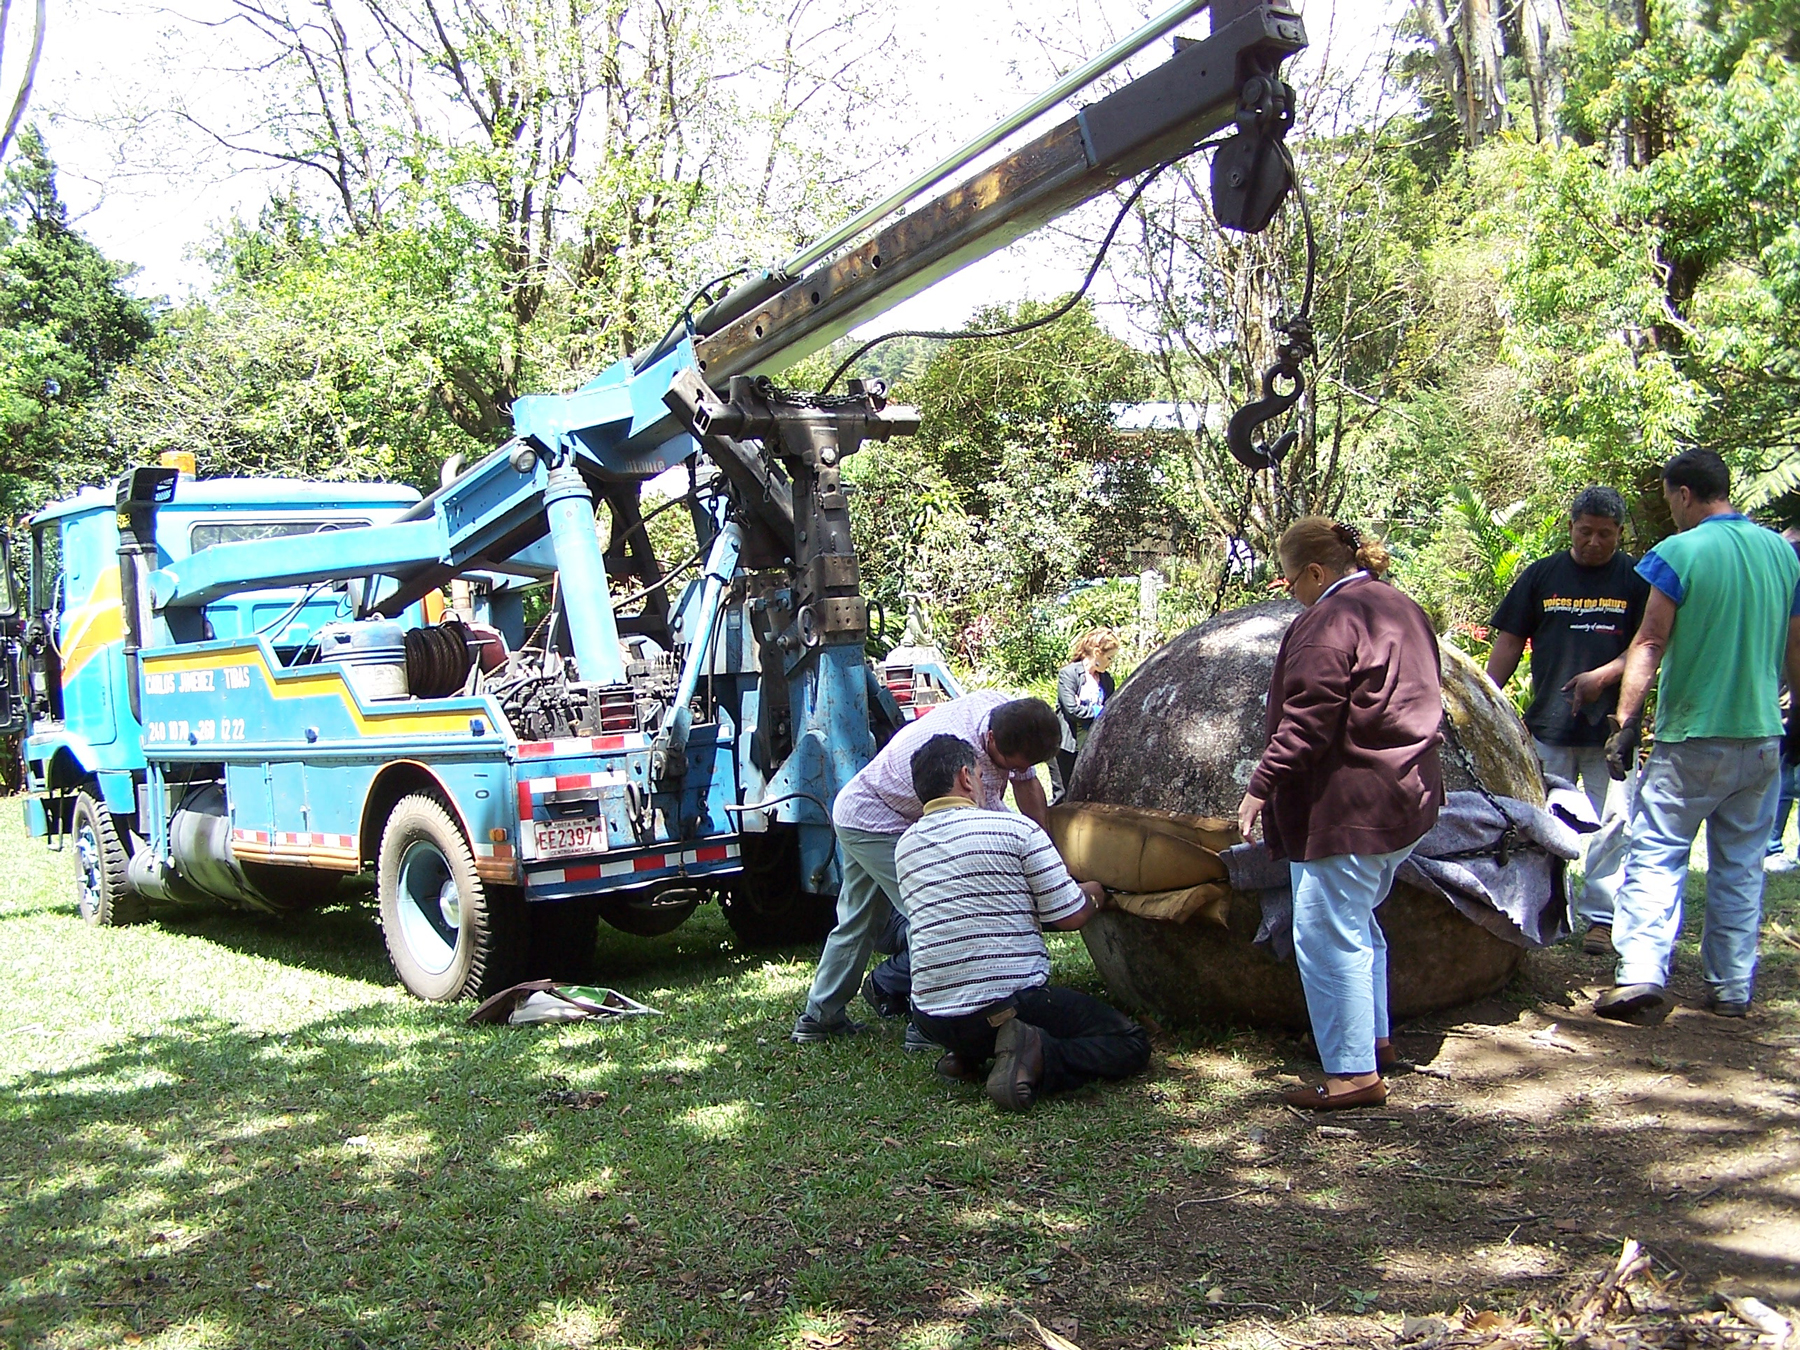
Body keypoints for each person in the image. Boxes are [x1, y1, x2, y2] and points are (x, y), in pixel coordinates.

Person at [1237, 517, 1444, 1111]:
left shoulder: (1328, 619)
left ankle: (1353, 1073)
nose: (1288, 589)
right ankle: (1371, 1039)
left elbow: (1308, 718)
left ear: (1317, 572)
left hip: (1350, 801)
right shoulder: (1400, 605)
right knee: (1359, 920)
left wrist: (1260, 787)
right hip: (1405, 792)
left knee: (1326, 931)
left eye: (1290, 577)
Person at [1595, 450, 1800, 1024]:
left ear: (1683, 493)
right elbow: (1795, 645)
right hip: (1762, 737)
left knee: (1658, 853)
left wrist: (1626, 722)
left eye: (1668, 498)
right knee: (1741, 864)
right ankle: (1733, 985)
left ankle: (1640, 973)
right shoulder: (1781, 556)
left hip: (1693, 736)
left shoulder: (1678, 553)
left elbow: (1651, 642)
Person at [789, 691, 1061, 1043]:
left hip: (864, 810)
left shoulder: (1014, 717)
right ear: (990, 742)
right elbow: (979, 832)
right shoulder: (964, 756)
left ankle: (819, 1017)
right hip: (875, 820)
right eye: (1009, 764)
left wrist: (1049, 852)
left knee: (859, 920)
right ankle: (926, 1023)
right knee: (937, 917)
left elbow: (1026, 785)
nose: (1015, 772)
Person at [900, 734, 1151, 1110]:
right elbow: (1069, 916)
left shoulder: (905, 846)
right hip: (1004, 1007)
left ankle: (968, 1056)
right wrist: (1097, 892)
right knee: (1131, 1043)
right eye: (982, 776)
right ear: (966, 778)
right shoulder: (1015, 830)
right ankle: (1039, 1059)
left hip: (932, 1018)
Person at [1486, 486, 1651, 954]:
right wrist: (1488, 699)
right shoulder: (1543, 575)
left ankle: (1601, 917)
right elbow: (1510, 642)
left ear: (1619, 533)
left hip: (1611, 731)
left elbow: (1649, 646)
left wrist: (1604, 678)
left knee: (1612, 823)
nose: (1594, 542)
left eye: (1605, 534)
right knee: (1535, 823)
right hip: (1548, 726)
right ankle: (1534, 909)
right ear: (1571, 527)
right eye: (1585, 532)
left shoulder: (1637, 579)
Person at [1764, 525, 1800, 873]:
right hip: (1782, 688)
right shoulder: (1788, 551)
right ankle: (1772, 845)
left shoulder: (1780, 550)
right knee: (1784, 765)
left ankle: (1773, 845)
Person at [1050, 629, 1120, 802]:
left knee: (1087, 795)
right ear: (1097, 653)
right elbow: (1073, 711)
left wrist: (1093, 710)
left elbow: (1112, 711)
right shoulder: (1069, 674)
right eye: (1109, 658)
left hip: (1091, 745)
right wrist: (1098, 711)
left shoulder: (1106, 680)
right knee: (1063, 796)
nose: (1110, 663)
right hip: (1066, 747)